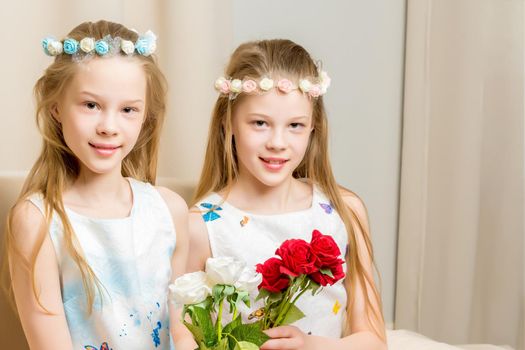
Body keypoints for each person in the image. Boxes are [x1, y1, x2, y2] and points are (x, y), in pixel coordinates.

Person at [186, 39, 386, 349]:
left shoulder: (344, 210)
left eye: (294, 125)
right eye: (260, 123)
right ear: (229, 123)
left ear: (313, 127)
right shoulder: (202, 225)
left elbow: (373, 340)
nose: (277, 142)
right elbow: (185, 335)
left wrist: (313, 346)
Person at [3, 20, 188, 349]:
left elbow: (183, 332)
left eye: (128, 109)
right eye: (91, 105)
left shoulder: (170, 211)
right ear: (56, 106)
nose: (109, 126)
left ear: (146, 115)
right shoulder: (37, 221)